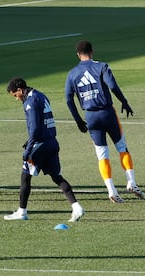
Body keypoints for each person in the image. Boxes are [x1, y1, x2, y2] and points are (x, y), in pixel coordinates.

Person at [65, 40, 144, 203]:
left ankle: (111, 190)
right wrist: (124, 102)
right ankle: (132, 182)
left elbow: (68, 99)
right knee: (122, 147)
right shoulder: (101, 66)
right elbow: (113, 86)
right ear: (92, 51)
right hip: (107, 113)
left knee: (102, 155)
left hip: (90, 116)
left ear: (78, 55)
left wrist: (78, 120)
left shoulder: (72, 73)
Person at [4, 77, 84, 222]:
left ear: (20, 90)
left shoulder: (30, 102)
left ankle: (22, 212)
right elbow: (43, 124)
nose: (16, 99)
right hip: (52, 142)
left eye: (15, 95)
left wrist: (28, 149)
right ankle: (76, 207)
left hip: (40, 146)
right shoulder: (41, 95)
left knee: (25, 177)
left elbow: (34, 128)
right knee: (57, 177)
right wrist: (29, 140)